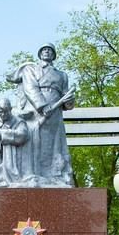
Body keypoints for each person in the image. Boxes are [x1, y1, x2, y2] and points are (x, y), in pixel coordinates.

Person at [7, 44, 76, 187]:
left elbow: (66, 98)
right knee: (34, 141)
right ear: (39, 54)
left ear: (54, 55)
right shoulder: (30, 69)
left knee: (54, 144)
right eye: (44, 49)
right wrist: (43, 106)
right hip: (35, 110)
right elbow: (30, 88)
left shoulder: (62, 75)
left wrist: (69, 101)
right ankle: (32, 174)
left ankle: (55, 176)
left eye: (50, 50)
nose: (47, 51)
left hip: (55, 113)